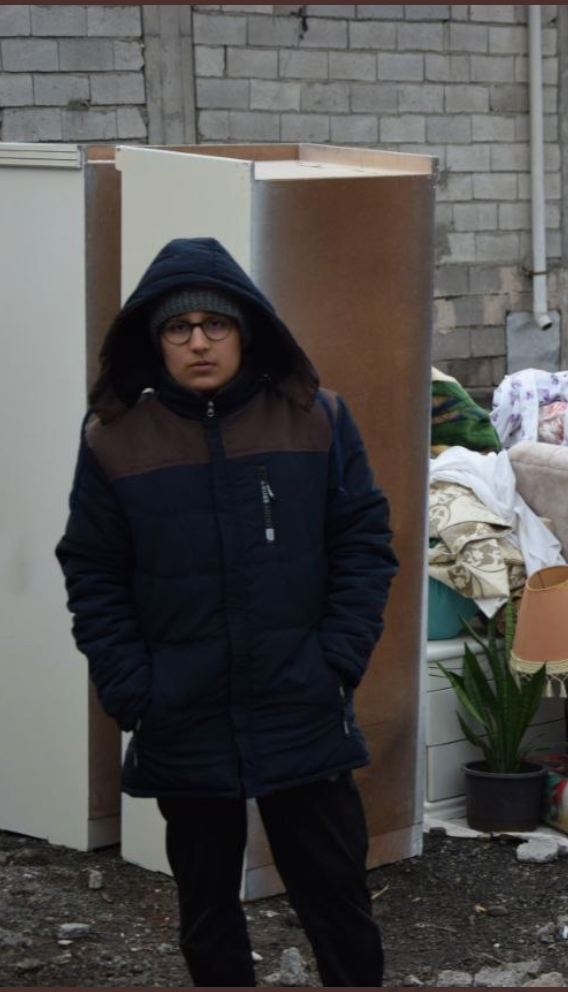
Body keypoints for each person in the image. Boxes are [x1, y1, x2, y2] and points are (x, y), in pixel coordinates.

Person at [56, 236, 398, 987]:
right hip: (182, 709)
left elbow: (364, 544)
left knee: (338, 904)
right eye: (179, 328)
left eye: (216, 323)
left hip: (300, 701)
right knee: (207, 913)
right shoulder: (116, 440)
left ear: (247, 329)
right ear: (155, 340)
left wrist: (336, 660)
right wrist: (133, 689)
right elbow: (93, 571)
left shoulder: (315, 420)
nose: (199, 342)